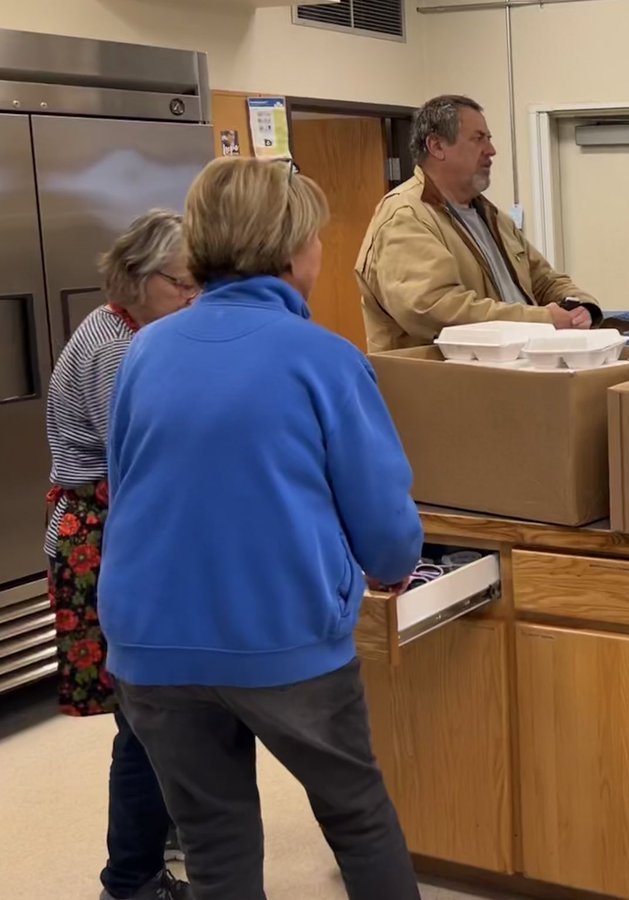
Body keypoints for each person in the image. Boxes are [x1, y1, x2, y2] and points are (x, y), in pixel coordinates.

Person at [97, 157, 426, 900]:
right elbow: (386, 533)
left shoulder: (145, 351)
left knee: (215, 842)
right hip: (282, 638)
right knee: (357, 815)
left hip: (151, 642)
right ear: (288, 253)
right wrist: (388, 565)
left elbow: (128, 486)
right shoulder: (324, 359)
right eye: (316, 240)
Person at [44, 209, 197, 900]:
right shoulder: (116, 348)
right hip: (105, 538)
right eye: (182, 284)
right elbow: (143, 457)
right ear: (137, 280)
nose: (193, 297)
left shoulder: (142, 332)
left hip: (123, 530)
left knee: (154, 717)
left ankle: (153, 849)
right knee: (145, 719)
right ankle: (131, 881)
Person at [356, 94, 602, 352]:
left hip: (506, 374)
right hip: (441, 386)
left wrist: (580, 306)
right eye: (478, 139)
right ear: (437, 146)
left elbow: (544, 280)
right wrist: (543, 320)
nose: (491, 150)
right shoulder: (405, 216)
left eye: (489, 138)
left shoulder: (490, 215)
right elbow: (436, 310)